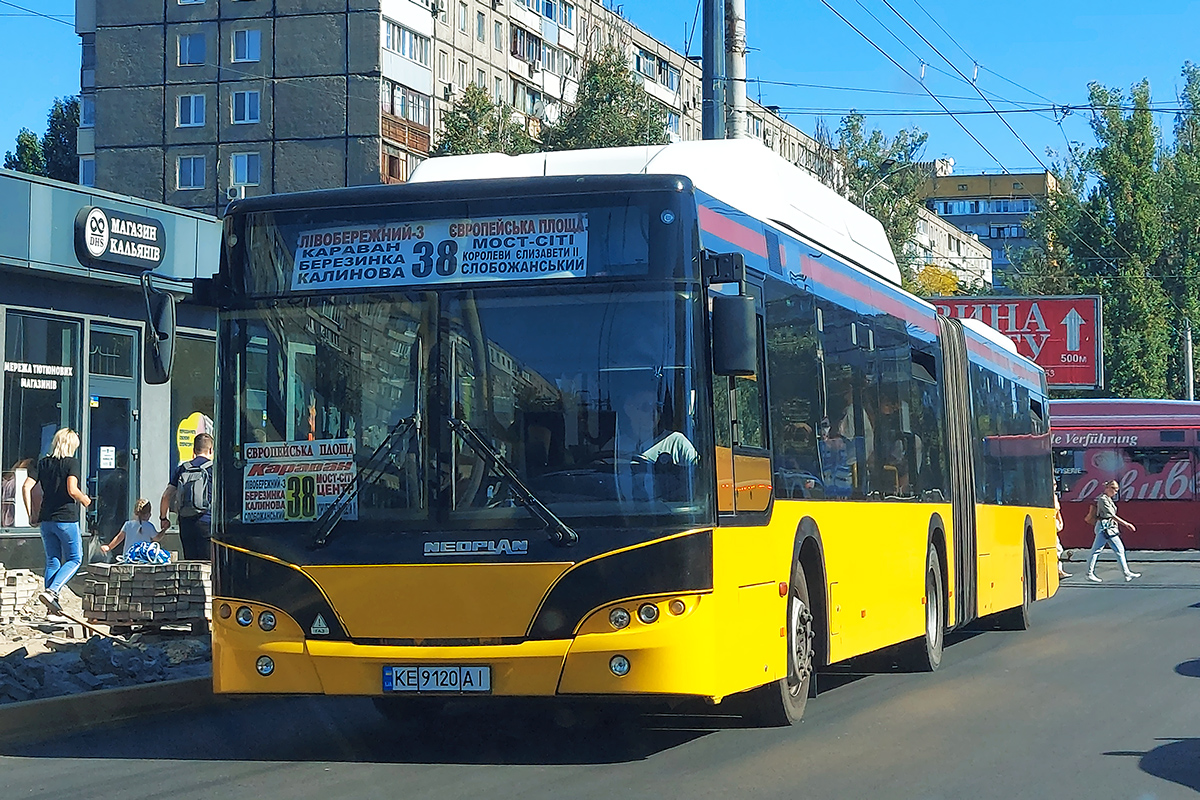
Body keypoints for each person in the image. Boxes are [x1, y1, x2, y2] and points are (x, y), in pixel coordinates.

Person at [20, 428, 90, 613]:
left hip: (46, 519)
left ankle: (51, 609)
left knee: (53, 560)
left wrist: (31, 515)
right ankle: (52, 591)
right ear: (72, 445)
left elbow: (26, 487)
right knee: (75, 558)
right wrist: (85, 500)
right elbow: (72, 490)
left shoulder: (43, 464)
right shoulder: (71, 463)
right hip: (66, 517)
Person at [160, 432, 213, 560]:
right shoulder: (213, 468)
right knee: (208, 566)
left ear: (194, 450)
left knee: (190, 563)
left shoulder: (182, 468)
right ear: (211, 449)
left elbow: (166, 495)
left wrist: (163, 518)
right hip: (206, 521)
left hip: (186, 522)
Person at [1086, 479, 1140, 583]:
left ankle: (1126, 573)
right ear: (1108, 488)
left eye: (1117, 490)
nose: (1116, 492)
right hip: (1105, 528)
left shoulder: (1107, 499)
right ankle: (1089, 573)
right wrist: (1126, 524)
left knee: (1119, 550)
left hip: (1108, 528)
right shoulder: (1102, 499)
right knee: (1097, 550)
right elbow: (1111, 515)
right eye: (1114, 489)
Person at [1054, 493, 1071, 579]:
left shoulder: (1054, 496)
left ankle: (1059, 570)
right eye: (1053, 484)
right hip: (1049, 523)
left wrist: (1060, 521)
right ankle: (1058, 571)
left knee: (1058, 549)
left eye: (1055, 484)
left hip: (1054, 523)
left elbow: (1057, 511)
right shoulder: (1047, 495)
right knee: (1058, 549)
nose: (1055, 486)